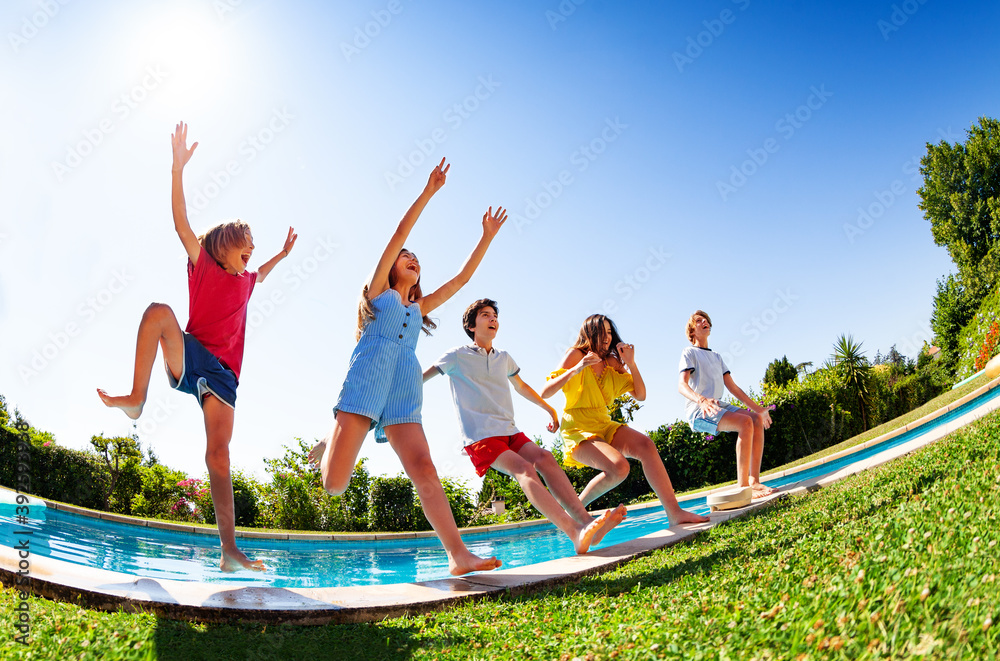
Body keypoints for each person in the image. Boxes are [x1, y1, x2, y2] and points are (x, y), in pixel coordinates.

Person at [98, 121, 297, 572]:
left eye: (253, 247)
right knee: (156, 312)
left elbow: (260, 273)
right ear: (224, 245)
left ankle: (229, 551)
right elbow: (181, 222)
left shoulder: (246, 280)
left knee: (217, 455)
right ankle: (136, 398)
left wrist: (282, 255)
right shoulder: (203, 261)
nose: (251, 250)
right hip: (190, 355)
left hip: (223, 374)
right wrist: (177, 169)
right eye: (245, 244)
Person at [310, 158, 503, 576]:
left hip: (403, 386)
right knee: (334, 485)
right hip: (367, 377)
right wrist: (429, 192)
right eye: (406, 256)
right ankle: (331, 436)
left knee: (424, 467)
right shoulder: (378, 293)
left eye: (416, 258)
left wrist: (485, 237)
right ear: (391, 266)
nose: (412, 257)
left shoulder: (419, 306)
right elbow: (399, 233)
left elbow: (462, 280)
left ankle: (458, 555)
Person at [424, 298, 628, 554]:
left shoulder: (504, 358)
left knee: (545, 458)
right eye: (485, 315)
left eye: (495, 316)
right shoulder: (456, 356)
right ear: (471, 325)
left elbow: (522, 387)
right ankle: (574, 532)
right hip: (480, 436)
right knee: (523, 469)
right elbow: (423, 377)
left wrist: (549, 408)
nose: (493, 319)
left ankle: (587, 523)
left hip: (509, 431)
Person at [541, 315, 708, 526]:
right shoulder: (576, 355)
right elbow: (545, 392)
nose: (607, 337)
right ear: (589, 333)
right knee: (619, 467)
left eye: (610, 332)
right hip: (577, 427)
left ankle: (675, 513)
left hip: (603, 422)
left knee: (646, 445)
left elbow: (640, 394)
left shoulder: (612, 363)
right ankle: (575, 508)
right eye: (602, 331)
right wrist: (578, 367)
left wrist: (631, 363)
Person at [677, 310, 777, 498]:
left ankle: (754, 482)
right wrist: (701, 400)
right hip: (699, 411)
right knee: (744, 423)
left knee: (754, 419)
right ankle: (744, 487)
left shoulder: (716, 357)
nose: (704, 321)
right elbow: (681, 385)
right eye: (699, 320)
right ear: (692, 331)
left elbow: (733, 388)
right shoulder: (689, 352)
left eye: (705, 319)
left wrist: (759, 409)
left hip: (718, 405)